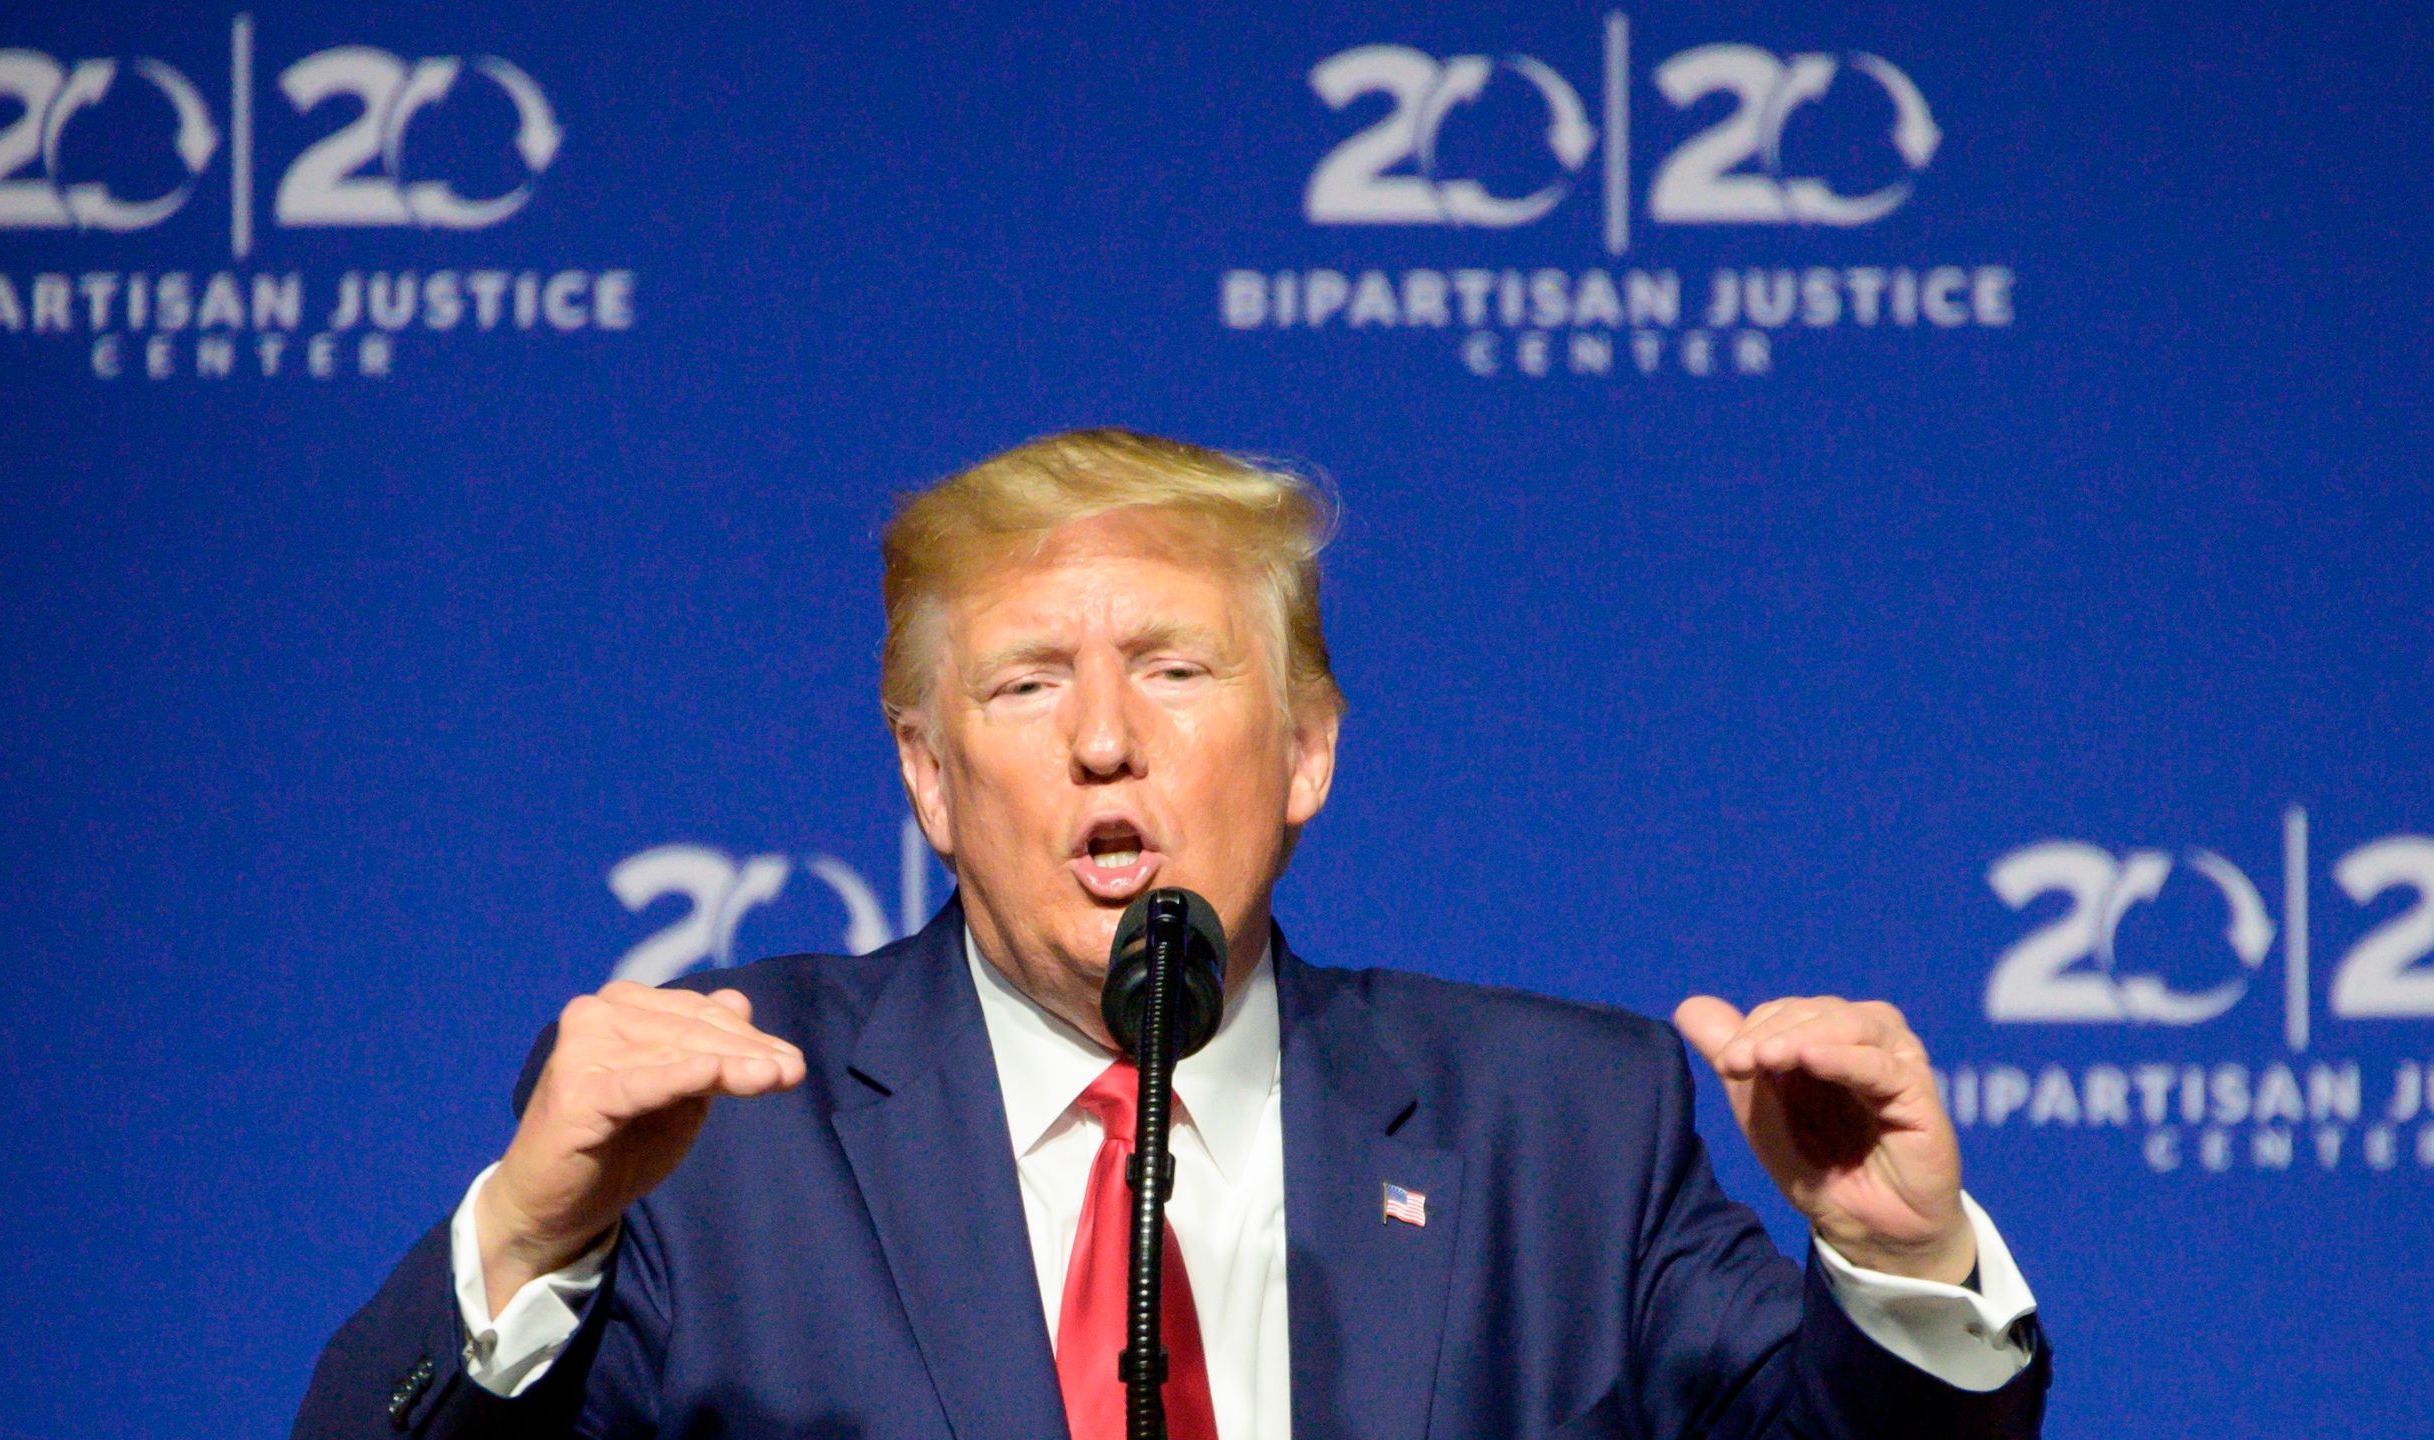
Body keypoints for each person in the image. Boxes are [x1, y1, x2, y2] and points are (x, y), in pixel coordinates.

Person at [295, 429, 2049, 1439]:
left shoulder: (1560, 1129)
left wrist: (1902, 1279)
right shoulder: (721, 1133)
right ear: (925, 774)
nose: (1104, 737)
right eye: (1028, 681)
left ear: (1306, 751)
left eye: (1178, 669)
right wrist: (527, 1238)